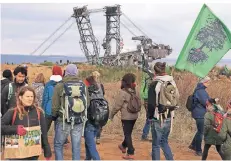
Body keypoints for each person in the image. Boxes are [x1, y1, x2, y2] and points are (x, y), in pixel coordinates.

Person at [1, 86, 52, 160]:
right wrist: (15, 129)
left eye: (32, 96)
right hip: (15, 154)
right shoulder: (13, 112)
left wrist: (47, 151)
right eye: (27, 96)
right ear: (20, 97)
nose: (30, 98)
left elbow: (44, 133)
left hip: (32, 154)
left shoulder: (39, 112)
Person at [52, 64, 89, 160]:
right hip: (79, 120)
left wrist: (55, 116)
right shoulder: (83, 85)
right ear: (76, 72)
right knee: (76, 146)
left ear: (66, 72)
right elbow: (87, 103)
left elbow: (55, 106)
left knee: (58, 145)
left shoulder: (60, 85)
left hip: (63, 120)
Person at [147, 62, 179, 160]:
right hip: (169, 115)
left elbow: (151, 104)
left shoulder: (154, 83)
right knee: (164, 141)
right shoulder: (172, 81)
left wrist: (149, 117)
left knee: (156, 144)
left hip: (158, 116)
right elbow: (176, 97)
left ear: (154, 71)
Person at [109, 73, 140, 160]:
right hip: (135, 115)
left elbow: (117, 106)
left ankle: (131, 152)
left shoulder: (123, 92)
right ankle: (123, 145)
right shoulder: (136, 90)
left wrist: (111, 116)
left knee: (127, 134)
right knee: (128, 133)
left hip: (126, 117)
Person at [83, 71, 105, 160]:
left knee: (91, 145)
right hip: (99, 119)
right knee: (89, 142)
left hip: (90, 121)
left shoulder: (88, 91)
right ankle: (87, 159)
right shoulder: (100, 88)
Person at [189, 76, 211, 156]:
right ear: (203, 83)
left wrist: (212, 100)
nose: (209, 84)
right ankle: (198, 150)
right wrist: (211, 103)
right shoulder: (201, 91)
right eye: (208, 82)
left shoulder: (200, 90)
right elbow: (205, 102)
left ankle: (193, 145)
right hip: (199, 113)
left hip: (198, 113)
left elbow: (207, 100)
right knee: (201, 132)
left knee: (200, 130)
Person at [42, 65, 62, 132]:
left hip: (48, 109)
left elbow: (45, 98)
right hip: (59, 110)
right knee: (59, 131)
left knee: (45, 130)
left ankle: (43, 141)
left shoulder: (48, 84)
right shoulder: (63, 84)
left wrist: (43, 110)